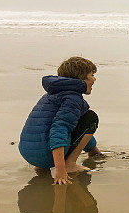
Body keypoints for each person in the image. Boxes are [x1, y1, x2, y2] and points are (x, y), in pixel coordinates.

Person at [18, 56, 103, 184]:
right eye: (91, 75)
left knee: (78, 120)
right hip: (46, 156)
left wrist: (94, 152)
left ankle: (41, 167)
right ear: (81, 79)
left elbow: (78, 127)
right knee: (91, 117)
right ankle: (70, 164)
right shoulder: (73, 99)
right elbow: (60, 128)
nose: (94, 79)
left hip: (28, 153)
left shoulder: (51, 94)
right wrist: (60, 169)